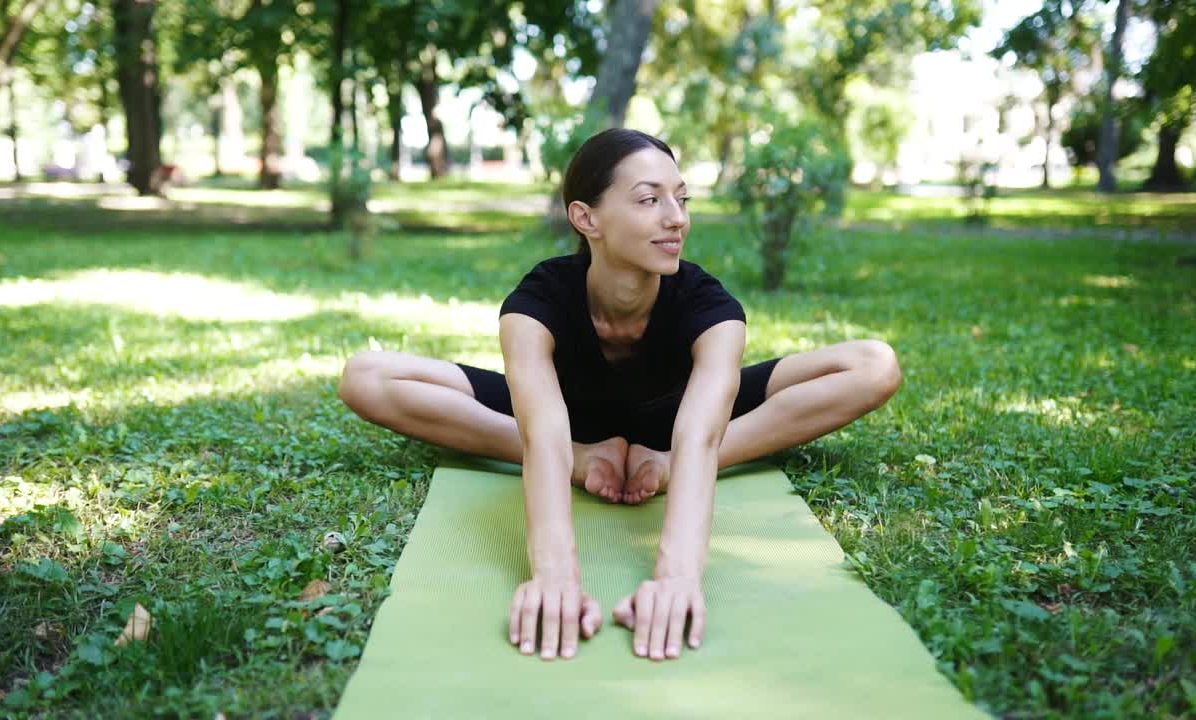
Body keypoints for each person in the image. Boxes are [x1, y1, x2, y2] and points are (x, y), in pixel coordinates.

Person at [337, 128, 902, 666]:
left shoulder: (711, 307)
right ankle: (588, 462)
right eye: (649, 200)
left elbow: (702, 435)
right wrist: (556, 574)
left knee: (874, 365)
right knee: (365, 375)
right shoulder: (538, 301)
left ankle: (658, 465)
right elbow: (543, 433)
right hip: (571, 421)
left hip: (673, 424)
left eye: (681, 199)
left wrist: (677, 572)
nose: (676, 219)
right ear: (587, 218)